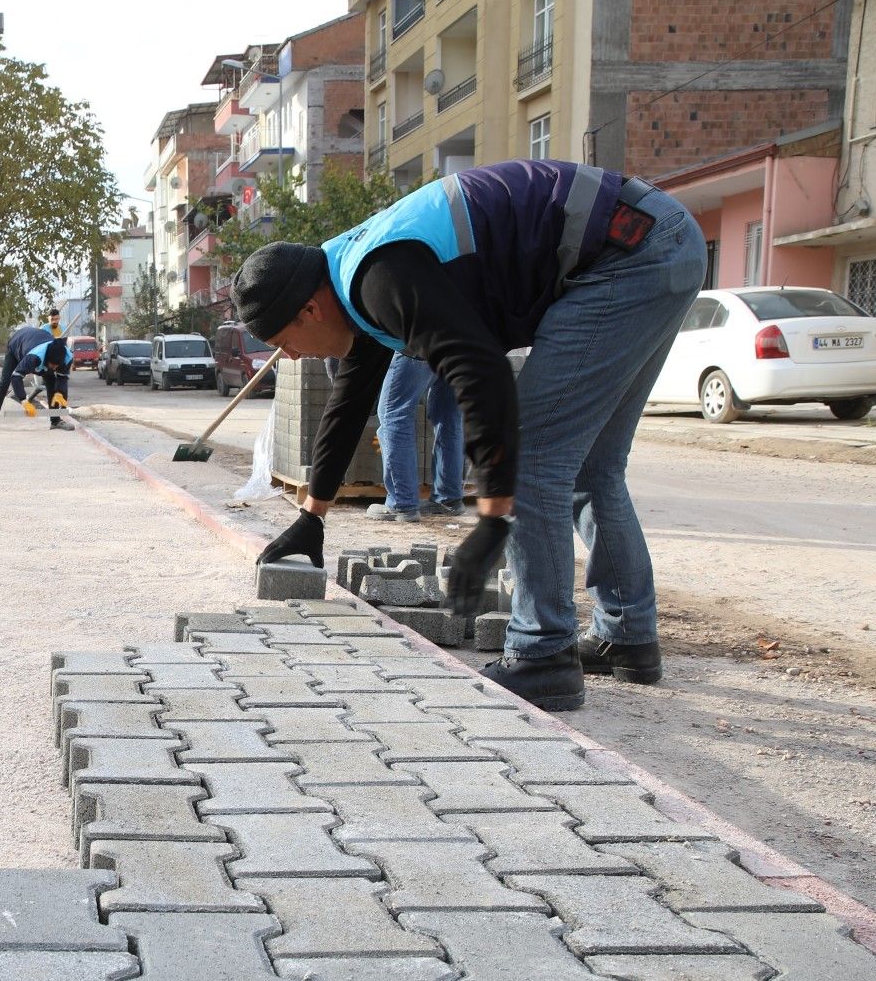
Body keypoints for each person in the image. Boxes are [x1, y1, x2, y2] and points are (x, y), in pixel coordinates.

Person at [237, 159, 704, 711]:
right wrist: (311, 517)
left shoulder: (380, 276)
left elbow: (480, 374)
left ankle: (543, 654)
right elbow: (349, 403)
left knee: (536, 459)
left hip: (625, 255)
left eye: (284, 342)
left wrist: (491, 517)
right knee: (590, 466)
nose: (290, 356)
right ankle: (626, 637)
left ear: (309, 309)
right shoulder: (347, 277)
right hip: (655, 240)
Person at [368, 354, 466, 523]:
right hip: (467, 338)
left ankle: (401, 503)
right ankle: (448, 499)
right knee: (449, 413)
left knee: (393, 412)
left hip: (425, 335)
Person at [0, 323, 74, 431]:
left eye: (57, 365)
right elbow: (16, 377)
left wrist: (60, 393)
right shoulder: (33, 357)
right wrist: (24, 401)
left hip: (36, 340)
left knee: (51, 381)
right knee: (4, 383)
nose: (55, 368)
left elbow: (62, 378)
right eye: (53, 365)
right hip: (17, 345)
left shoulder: (67, 357)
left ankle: (55, 421)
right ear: (47, 359)